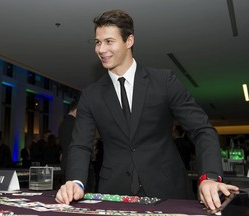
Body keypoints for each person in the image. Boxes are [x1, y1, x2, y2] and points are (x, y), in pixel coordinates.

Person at [55, 9, 239, 211]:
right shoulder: (91, 95)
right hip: (114, 194)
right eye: (98, 42)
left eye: (109, 41)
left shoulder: (164, 81)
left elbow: (202, 130)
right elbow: (81, 145)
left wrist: (209, 177)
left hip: (168, 191)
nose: (101, 49)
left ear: (129, 41)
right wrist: (75, 181)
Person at [58, 101, 77, 182]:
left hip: (64, 163)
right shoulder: (76, 123)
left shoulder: (62, 123)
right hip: (74, 164)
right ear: (77, 110)